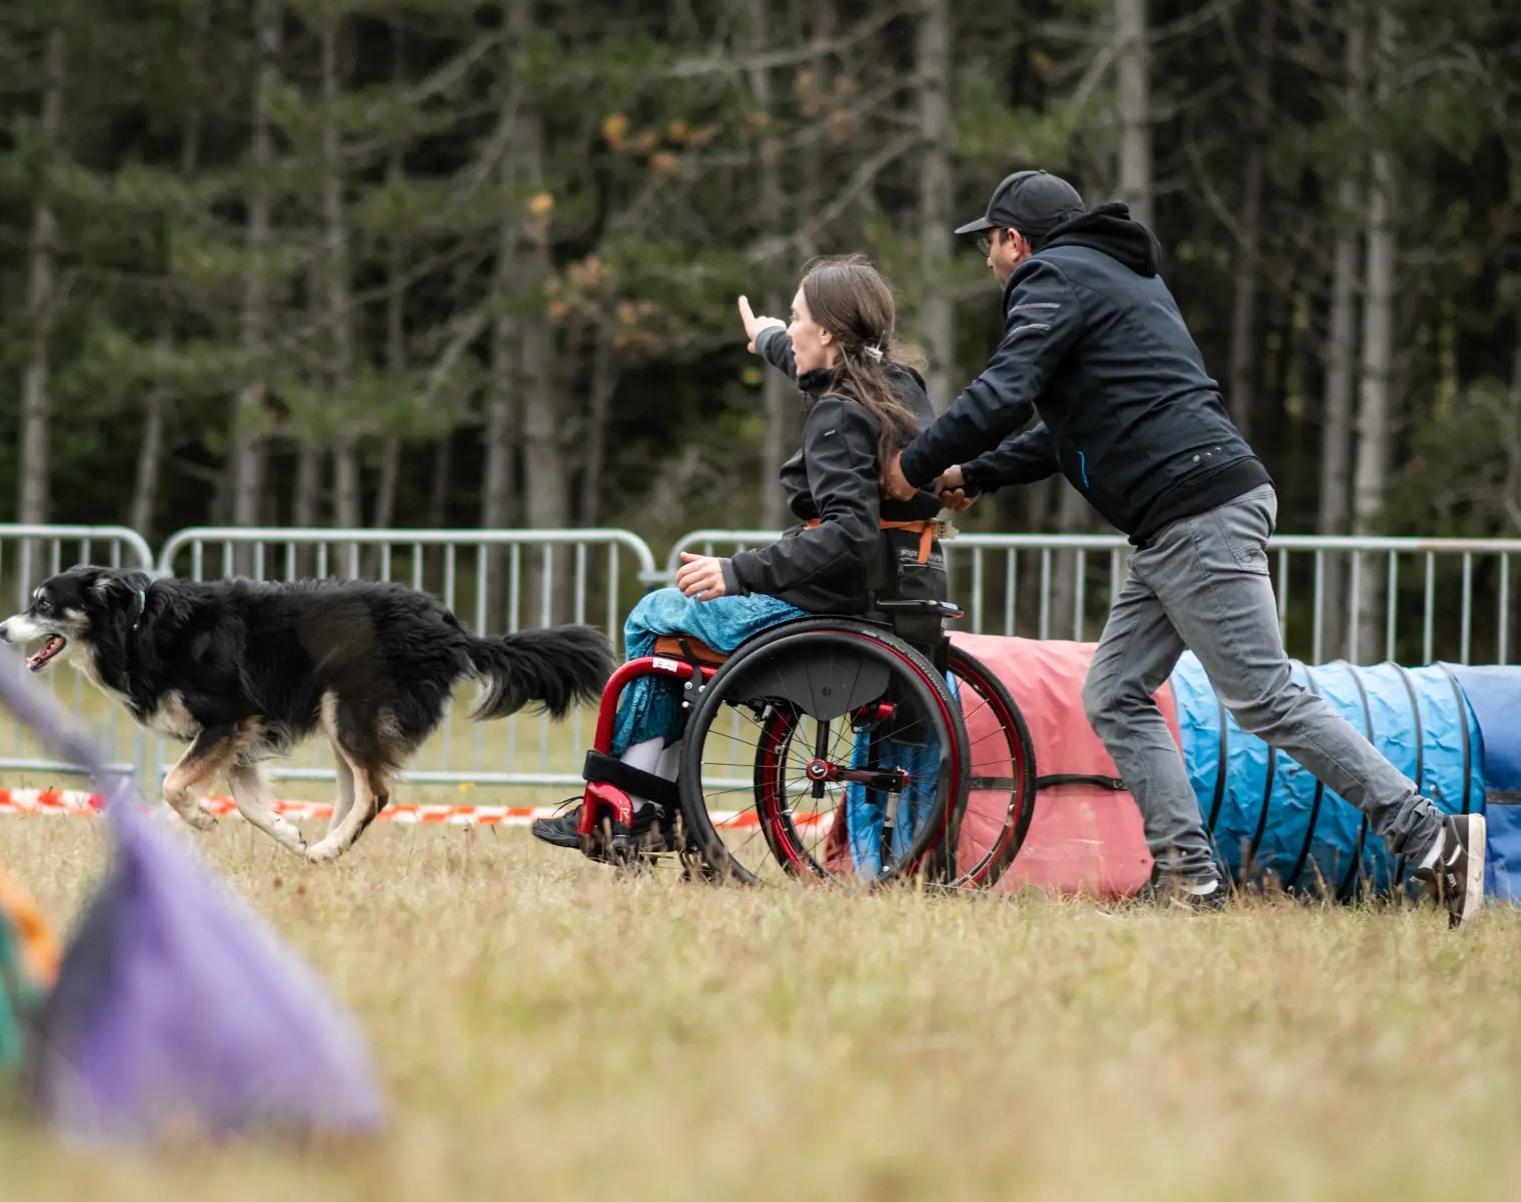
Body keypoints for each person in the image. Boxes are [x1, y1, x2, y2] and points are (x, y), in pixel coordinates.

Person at [880, 167, 1486, 925]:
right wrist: (977, 471)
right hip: (1181, 520)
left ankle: (1430, 835)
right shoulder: (1114, 277)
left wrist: (916, 464)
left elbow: (1004, 391)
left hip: (1196, 512)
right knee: (1115, 693)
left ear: (1013, 240)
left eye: (991, 247)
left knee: (1266, 696)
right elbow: (1067, 432)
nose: (992, 263)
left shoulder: (1049, 277)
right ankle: (1189, 879)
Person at [534, 254, 945, 851]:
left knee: (654, 617)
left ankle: (636, 804)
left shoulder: (835, 415)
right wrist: (769, 338)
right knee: (674, 627)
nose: (791, 325)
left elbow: (848, 534)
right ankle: (652, 804)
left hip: (827, 606)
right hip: (901, 594)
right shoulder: (897, 388)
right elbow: (813, 367)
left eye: (796, 316)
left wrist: (737, 572)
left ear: (827, 332)